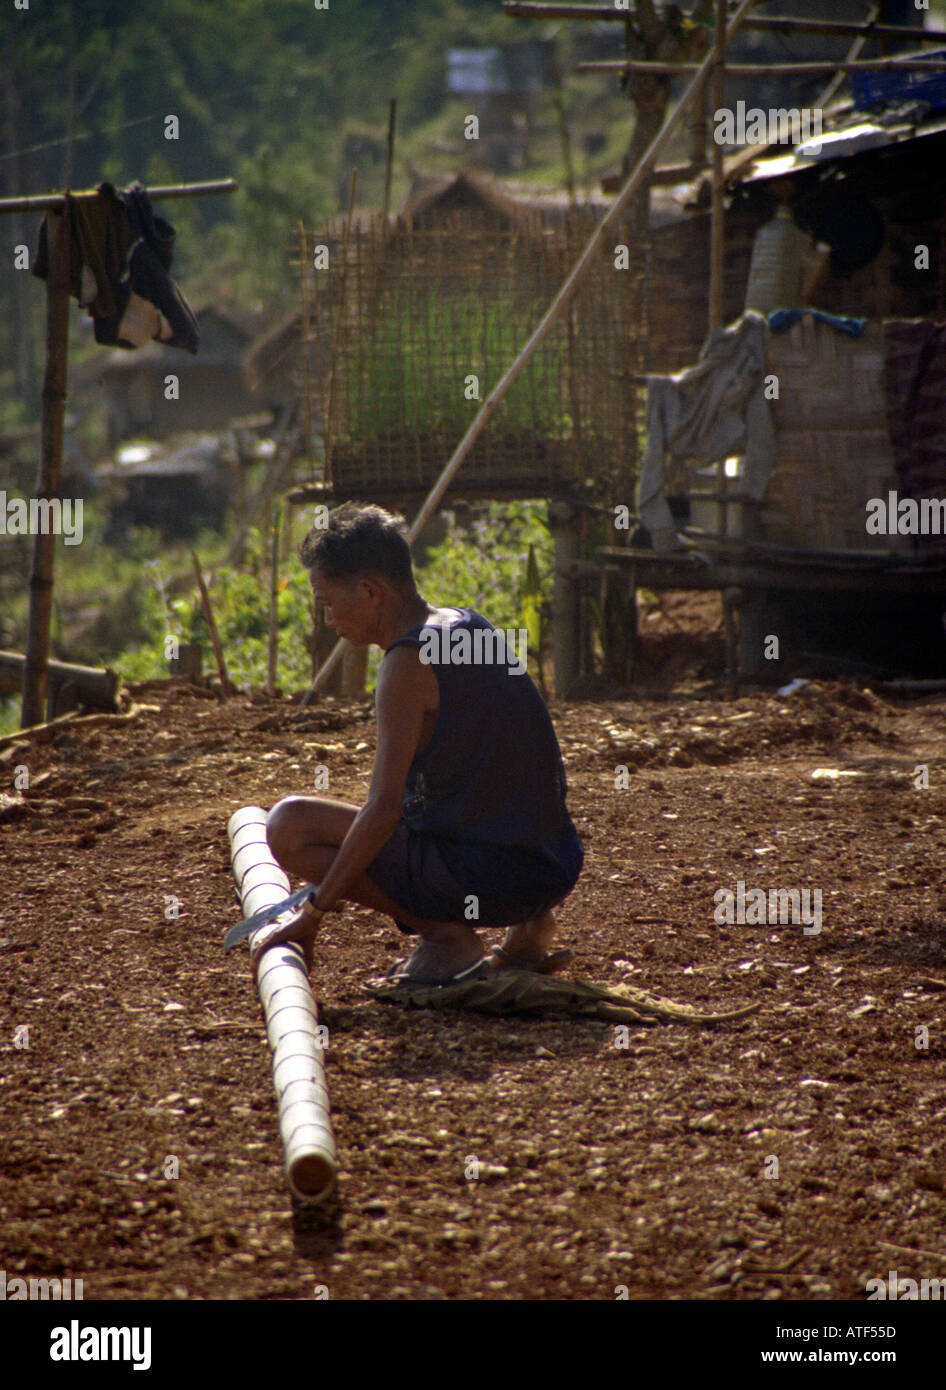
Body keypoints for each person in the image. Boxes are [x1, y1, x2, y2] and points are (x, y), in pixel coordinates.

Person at [258, 502, 583, 985]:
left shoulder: (407, 662)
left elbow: (384, 808)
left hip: (493, 880)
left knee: (289, 825)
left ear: (370, 592)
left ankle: (446, 938)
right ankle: (533, 927)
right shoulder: (469, 625)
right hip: (552, 867)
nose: (328, 619)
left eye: (328, 602)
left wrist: (315, 911)